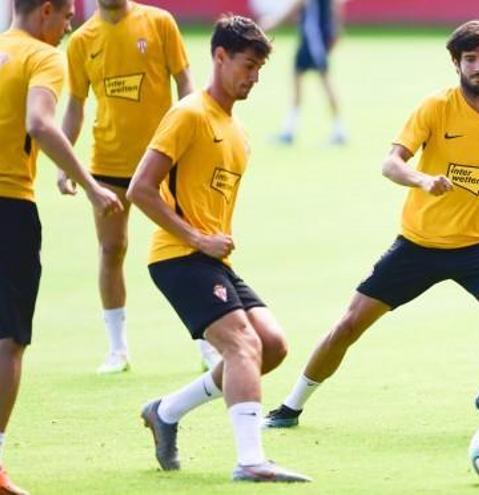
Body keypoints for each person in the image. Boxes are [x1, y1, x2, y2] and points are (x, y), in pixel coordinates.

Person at [263, 19, 479, 429]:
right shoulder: (435, 107)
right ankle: (291, 405)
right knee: (350, 323)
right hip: (420, 243)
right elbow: (390, 164)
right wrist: (423, 180)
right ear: (455, 63)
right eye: (471, 60)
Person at [127, 15, 309, 482]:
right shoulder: (188, 114)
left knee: (270, 345)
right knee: (244, 344)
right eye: (246, 66)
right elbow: (140, 188)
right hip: (178, 256)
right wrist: (196, 237)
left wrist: (211, 243)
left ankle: (166, 411)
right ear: (220, 57)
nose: (252, 78)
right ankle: (250, 461)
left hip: (212, 258)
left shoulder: (238, 131)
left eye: (259, 71)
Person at [57, 0, 221, 374]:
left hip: (162, 159)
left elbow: (184, 82)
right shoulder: (82, 40)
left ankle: (208, 342)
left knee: (190, 246)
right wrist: (64, 163)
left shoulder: (159, 22)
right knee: (112, 248)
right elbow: (75, 106)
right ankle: (117, 348)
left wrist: (192, 138)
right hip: (108, 164)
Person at [0, 0, 122, 492]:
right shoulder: (41, 57)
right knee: (9, 340)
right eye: (68, 17)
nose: (70, 27)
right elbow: (41, 123)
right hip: (9, 206)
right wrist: (90, 184)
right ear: (46, 11)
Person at [260, 0, 347, 145]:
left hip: (314, 37)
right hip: (313, 35)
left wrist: (273, 22)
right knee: (299, 77)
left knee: (324, 80)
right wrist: (336, 29)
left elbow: (297, 4)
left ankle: (339, 131)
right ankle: (289, 130)